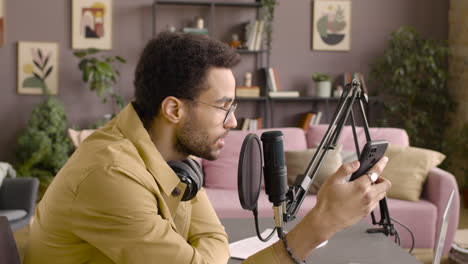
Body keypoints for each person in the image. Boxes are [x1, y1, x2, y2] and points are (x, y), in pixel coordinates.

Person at [24, 32, 391, 264]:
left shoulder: (174, 159)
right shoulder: (110, 175)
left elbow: (215, 238)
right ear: (173, 109)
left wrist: (202, 257)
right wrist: (322, 223)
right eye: (223, 106)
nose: (233, 122)